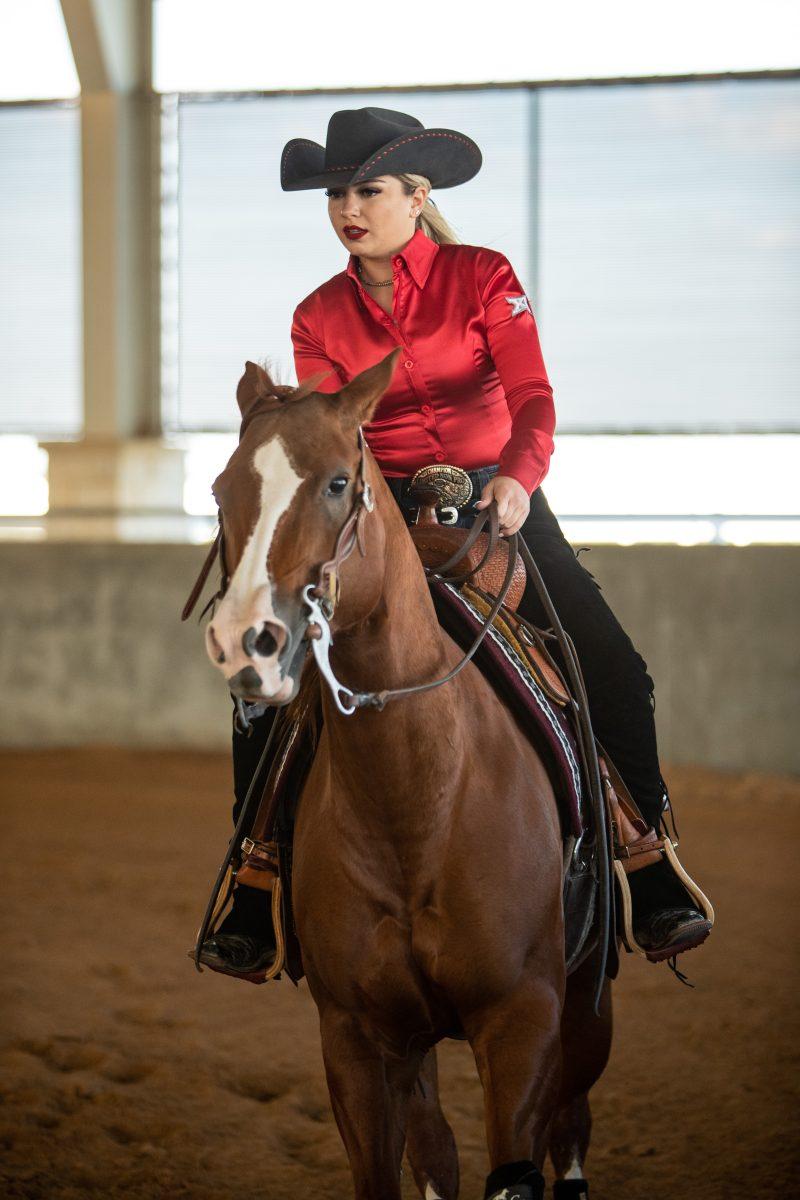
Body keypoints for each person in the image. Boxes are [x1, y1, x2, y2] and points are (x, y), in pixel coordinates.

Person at [199, 106, 712, 979]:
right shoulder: (318, 313)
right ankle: (257, 874)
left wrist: (517, 477)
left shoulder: (484, 274)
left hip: (498, 498)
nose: (348, 208)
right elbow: (335, 430)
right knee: (269, 688)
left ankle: (647, 861)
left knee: (613, 669)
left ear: (416, 195)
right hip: (382, 513)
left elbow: (534, 394)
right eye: (336, 194)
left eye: (367, 190)